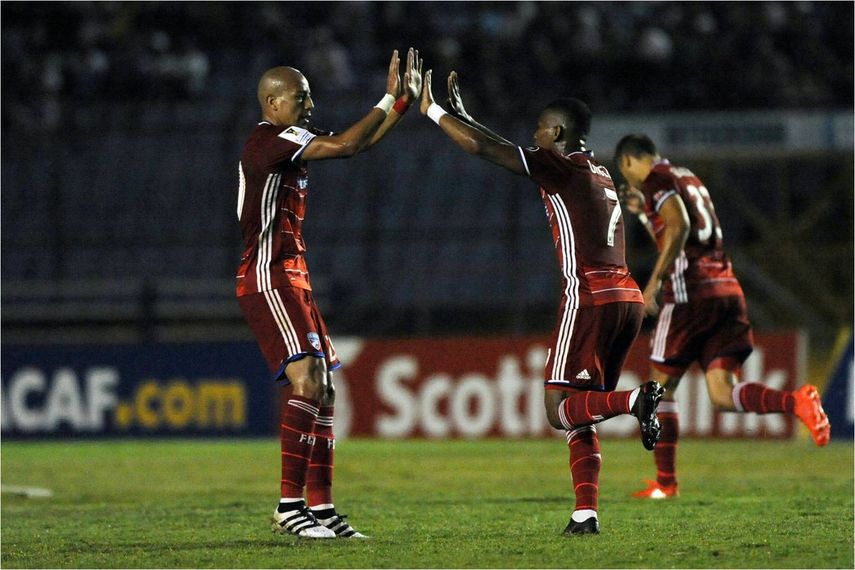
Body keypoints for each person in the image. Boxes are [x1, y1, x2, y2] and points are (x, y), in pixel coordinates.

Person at [419, 70, 664, 536]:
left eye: (538, 130)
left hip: (589, 296)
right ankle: (585, 514)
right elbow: (504, 150)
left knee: (558, 409)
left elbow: (484, 151)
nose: (533, 137)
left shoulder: (562, 166)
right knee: (586, 405)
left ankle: (636, 399)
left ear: (555, 133)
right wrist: (466, 116)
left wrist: (432, 110)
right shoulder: (598, 171)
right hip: (626, 298)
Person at [235, 49, 423, 539]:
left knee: (326, 389)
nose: (310, 104)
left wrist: (400, 105)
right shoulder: (267, 141)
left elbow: (354, 145)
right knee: (307, 385)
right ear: (273, 103)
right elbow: (344, 146)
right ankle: (289, 507)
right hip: (269, 275)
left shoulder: (284, 140)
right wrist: (387, 97)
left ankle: (321, 510)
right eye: (301, 97)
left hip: (293, 276)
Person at [613, 134, 831, 500]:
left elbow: (679, 229)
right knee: (721, 393)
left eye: (627, 173)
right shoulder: (687, 176)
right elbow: (685, 230)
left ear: (628, 162)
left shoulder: (655, 180)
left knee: (658, 388)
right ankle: (798, 403)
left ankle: (666, 484)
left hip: (690, 295)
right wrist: (642, 211)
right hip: (726, 290)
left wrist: (654, 283)